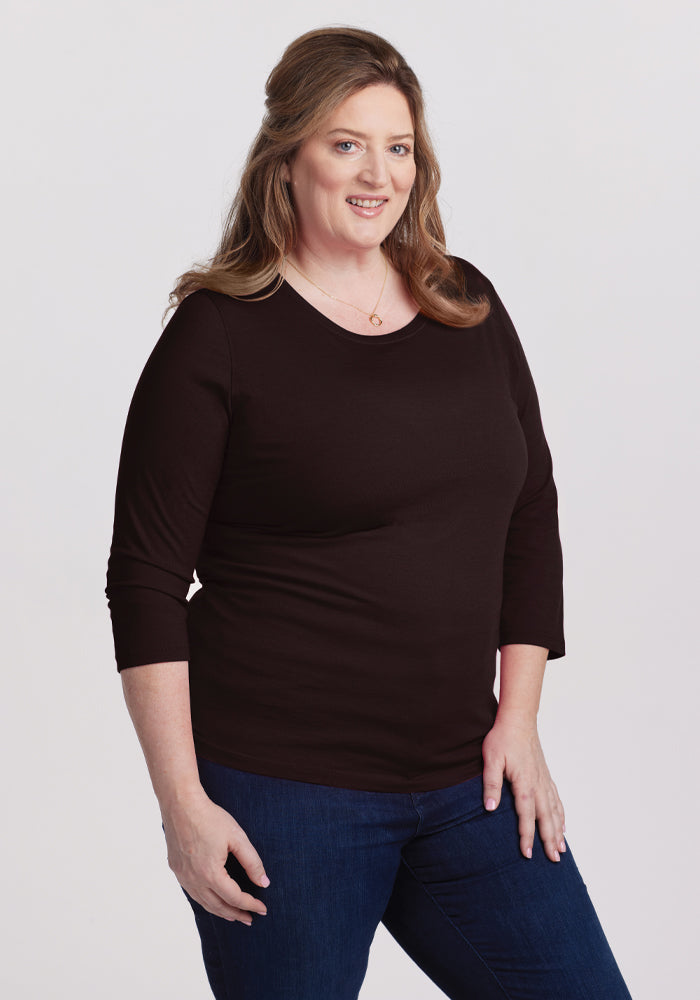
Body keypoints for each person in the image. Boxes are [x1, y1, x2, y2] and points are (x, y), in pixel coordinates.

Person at [105, 25, 632, 1000]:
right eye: (345, 143)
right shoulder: (217, 337)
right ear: (288, 157)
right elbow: (143, 580)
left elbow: (530, 510)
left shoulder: (465, 304)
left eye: (397, 147)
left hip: (468, 780)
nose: (375, 174)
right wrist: (182, 803)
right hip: (282, 797)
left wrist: (518, 719)